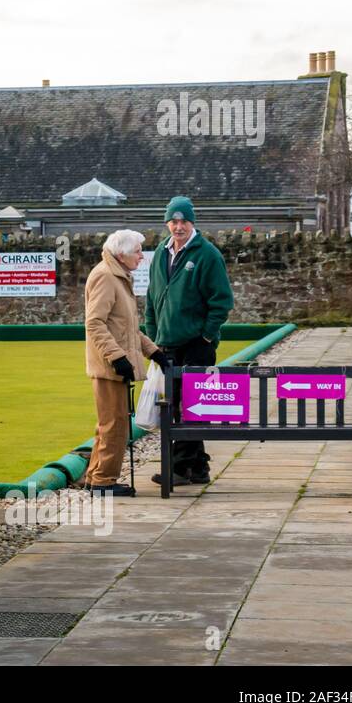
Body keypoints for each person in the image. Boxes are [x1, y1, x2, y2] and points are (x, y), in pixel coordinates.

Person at [144, 196, 235, 486]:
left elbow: (222, 301)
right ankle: (199, 467)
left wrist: (207, 335)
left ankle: (180, 468)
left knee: (190, 406)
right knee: (176, 405)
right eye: (174, 220)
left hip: (197, 344)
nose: (178, 226)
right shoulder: (160, 252)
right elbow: (152, 297)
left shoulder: (207, 254)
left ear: (192, 222)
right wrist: (153, 335)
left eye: (184, 221)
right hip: (166, 344)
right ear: (167, 222)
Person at [84, 229, 169, 497]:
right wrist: (117, 357)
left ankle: (95, 478)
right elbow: (94, 323)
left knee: (109, 424)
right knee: (115, 425)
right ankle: (103, 482)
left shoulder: (118, 277)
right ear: (121, 254)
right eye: (137, 252)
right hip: (109, 368)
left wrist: (154, 352)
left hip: (115, 366)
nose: (142, 257)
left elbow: (128, 329)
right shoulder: (106, 276)